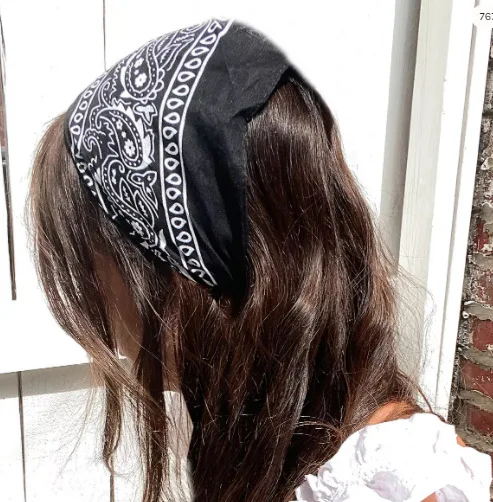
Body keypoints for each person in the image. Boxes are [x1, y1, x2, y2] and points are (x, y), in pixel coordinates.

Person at [27, 18, 491, 502]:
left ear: (178, 280)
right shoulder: (283, 444)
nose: (99, 320)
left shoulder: (388, 487)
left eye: (91, 270)